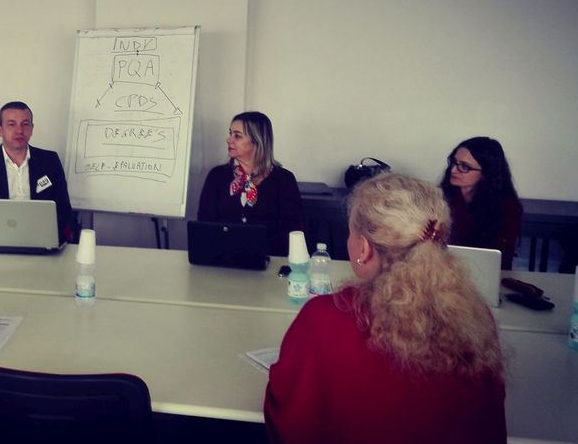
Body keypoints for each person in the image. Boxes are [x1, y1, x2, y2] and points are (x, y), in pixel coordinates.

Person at [264, 174, 506, 444]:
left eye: (351, 233)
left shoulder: (323, 318)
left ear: (364, 249)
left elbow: (287, 420)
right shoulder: (476, 317)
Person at [197, 111, 301, 256]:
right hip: (223, 259)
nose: (229, 140)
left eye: (237, 136)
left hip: (269, 260)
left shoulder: (284, 179)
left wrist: (256, 252)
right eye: (230, 133)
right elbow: (204, 226)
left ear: (257, 141)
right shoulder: (217, 176)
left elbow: (291, 232)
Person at [0, 101, 73, 243]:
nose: (19, 130)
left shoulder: (50, 161)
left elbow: (63, 208)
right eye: (12, 124)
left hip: (41, 239)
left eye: (25, 124)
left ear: (32, 129)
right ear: (0, 130)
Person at [440, 137, 523, 270]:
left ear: (486, 174)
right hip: (444, 269)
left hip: (484, 271)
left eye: (464, 167)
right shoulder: (439, 198)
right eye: (454, 162)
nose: (453, 170)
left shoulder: (507, 207)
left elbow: (502, 259)